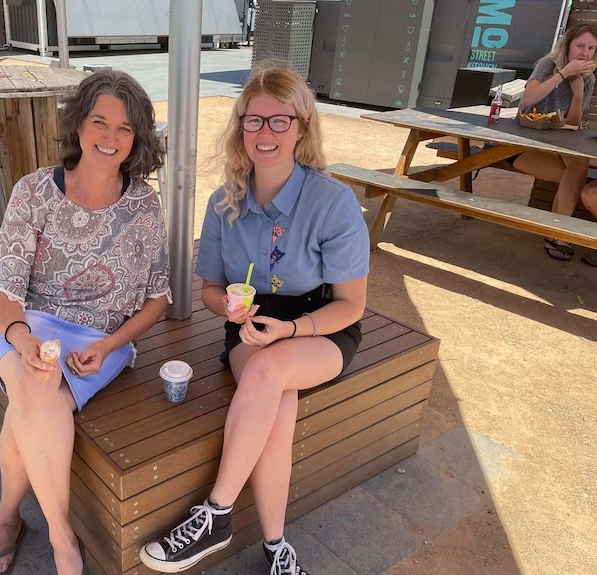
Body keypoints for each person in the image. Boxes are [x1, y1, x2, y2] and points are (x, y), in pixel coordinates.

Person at [139, 65, 369, 574]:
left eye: (279, 121)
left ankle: (216, 513)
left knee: (269, 373)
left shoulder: (333, 202)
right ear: (240, 127)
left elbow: (351, 306)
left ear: (302, 128)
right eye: (253, 120)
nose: (264, 132)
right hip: (250, 324)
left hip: (319, 326)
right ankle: (276, 549)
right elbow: (210, 292)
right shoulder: (225, 203)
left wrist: (289, 330)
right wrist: (227, 307)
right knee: (277, 406)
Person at [0, 69, 171, 575]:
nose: (110, 138)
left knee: (32, 397)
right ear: (79, 125)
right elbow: (1, 294)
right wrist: (22, 341)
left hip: (104, 341)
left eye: (125, 128)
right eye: (99, 122)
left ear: (138, 138)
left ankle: (6, 518)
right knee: (33, 383)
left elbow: (157, 299)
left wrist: (110, 346)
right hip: (28, 326)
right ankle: (63, 539)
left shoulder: (145, 203)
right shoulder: (34, 192)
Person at [510, 23, 597, 261]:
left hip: (556, 146)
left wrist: (578, 93)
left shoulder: (587, 80)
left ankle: (558, 235)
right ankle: (558, 235)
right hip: (521, 143)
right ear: (568, 46)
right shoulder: (547, 65)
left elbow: (572, 124)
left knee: (577, 167)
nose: (584, 53)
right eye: (580, 46)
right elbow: (528, 99)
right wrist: (563, 74)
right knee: (575, 175)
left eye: (591, 48)